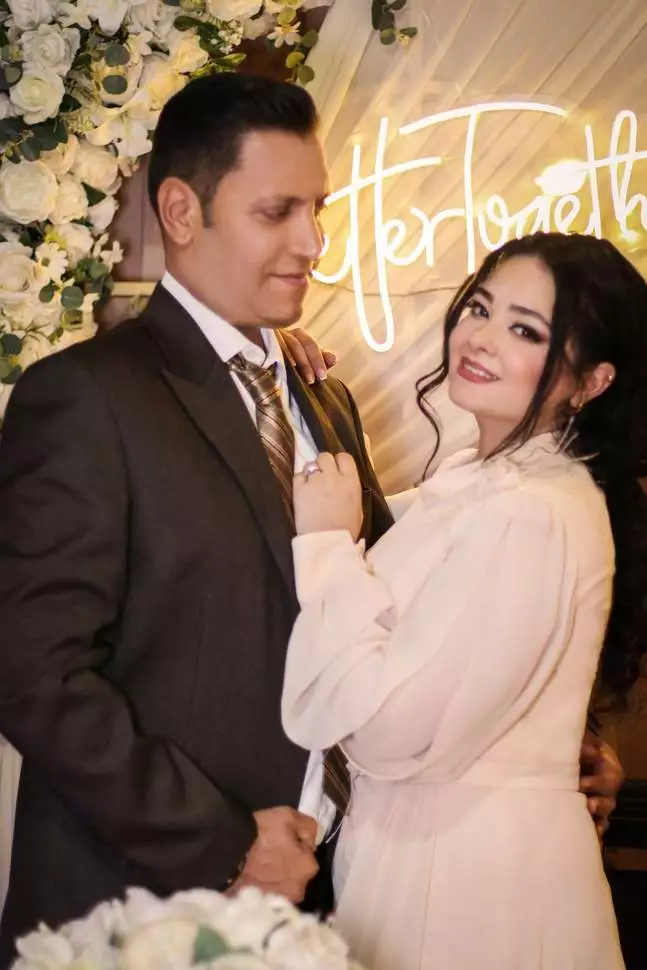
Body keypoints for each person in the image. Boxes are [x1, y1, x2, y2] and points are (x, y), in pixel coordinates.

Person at [0, 72, 392, 959]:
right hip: (137, 907)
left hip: (336, 904)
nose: (312, 242)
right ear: (181, 210)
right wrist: (225, 843)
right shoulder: (87, 396)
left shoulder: (327, 403)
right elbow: (31, 673)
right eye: (277, 212)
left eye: (318, 210)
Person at [282, 232, 647, 970]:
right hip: (434, 854)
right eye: (480, 308)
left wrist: (326, 548)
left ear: (592, 380)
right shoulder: (477, 482)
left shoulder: (528, 510)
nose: (480, 338)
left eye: (526, 330)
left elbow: (390, 734)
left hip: (463, 881)